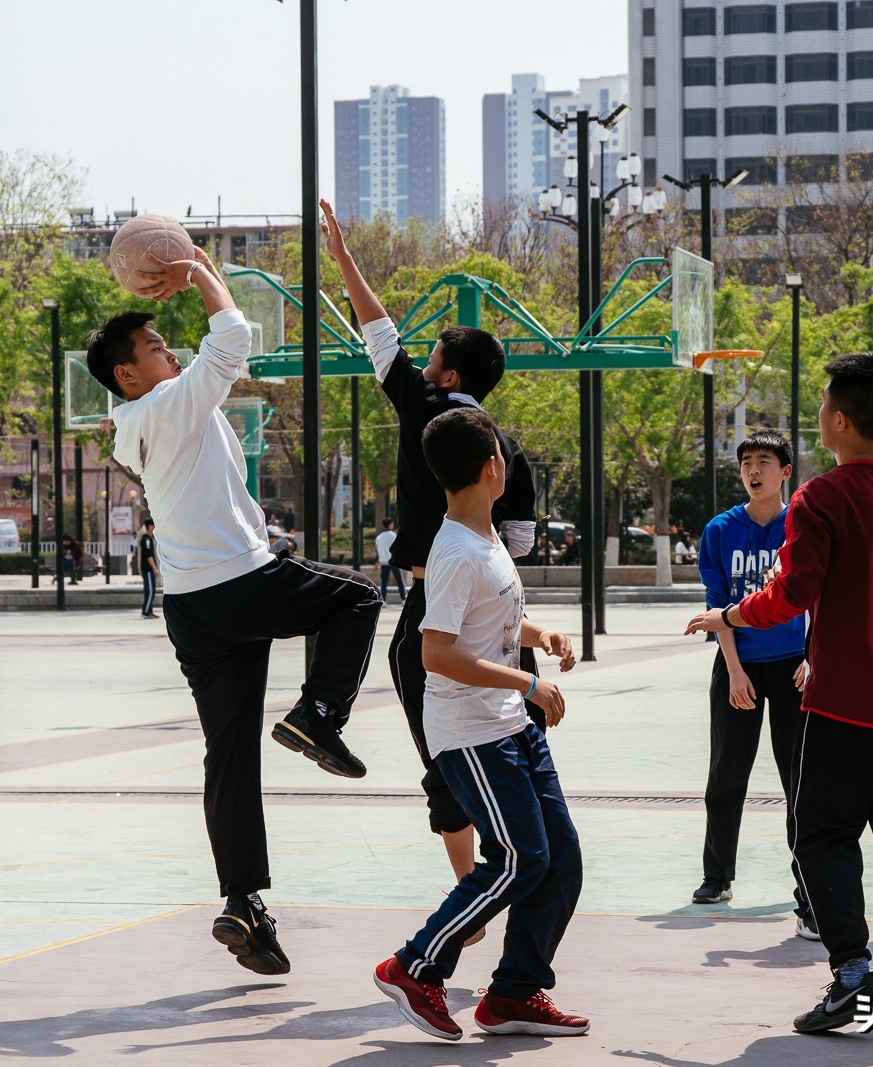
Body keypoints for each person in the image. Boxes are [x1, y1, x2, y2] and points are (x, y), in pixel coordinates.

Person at [90, 242, 381, 976]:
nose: (170, 349)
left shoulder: (143, 420)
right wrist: (196, 272)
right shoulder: (168, 402)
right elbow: (235, 339)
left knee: (230, 756)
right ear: (129, 373)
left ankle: (241, 901)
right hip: (238, 582)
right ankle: (318, 714)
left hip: (194, 609)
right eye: (157, 345)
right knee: (358, 597)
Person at [686, 352, 873, 1034]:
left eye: (822, 408)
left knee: (822, 833)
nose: (819, 419)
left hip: (846, 702)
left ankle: (853, 974)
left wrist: (728, 615)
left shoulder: (823, 497)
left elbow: (793, 592)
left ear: (840, 421)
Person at [322, 197, 541, 904]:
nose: (425, 362)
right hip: (505, 620)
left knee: (446, 758)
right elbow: (520, 545)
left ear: (445, 374)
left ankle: (470, 893)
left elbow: (378, 330)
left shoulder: (423, 408)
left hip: (434, 602)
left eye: (434, 355)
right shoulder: (510, 448)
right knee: (515, 751)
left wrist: (346, 260)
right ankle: (524, 871)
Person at [373, 406, 587, 1041]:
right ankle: (414, 966)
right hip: (470, 733)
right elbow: (435, 651)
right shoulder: (459, 550)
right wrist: (527, 680)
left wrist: (538, 633)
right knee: (521, 860)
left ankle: (514, 994)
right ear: (493, 466)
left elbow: (484, 619)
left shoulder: (485, 540)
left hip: (508, 724)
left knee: (560, 859)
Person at [691, 432, 814, 939]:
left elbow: (822, 598)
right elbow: (718, 603)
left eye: (764, 461)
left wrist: (814, 656)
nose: (753, 469)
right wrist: (735, 669)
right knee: (726, 774)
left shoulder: (804, 525)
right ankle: (716, 876)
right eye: (746, 462)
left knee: (800, 780)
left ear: (786, 471)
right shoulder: (720, 529)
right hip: (738, 665)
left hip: (793, 667)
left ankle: (806, 882)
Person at [376, 518, 405, 603]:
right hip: (394, 561)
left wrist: (377, 561)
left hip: (384, 561)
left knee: (384, 582)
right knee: (399, 580)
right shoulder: (393, 535)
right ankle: (403, 598)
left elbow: (377, 549)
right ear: (390, 524)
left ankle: (383, 600)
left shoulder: (379, 537)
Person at [138, 519, 161, 619]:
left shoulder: (150, 538)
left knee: (150, 590)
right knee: (150, 590)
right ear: (150, 526)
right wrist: (154, 568)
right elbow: (148, 555)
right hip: (147, 569)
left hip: (149, 570)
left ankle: (149, 611)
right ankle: (146, 611)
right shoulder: (146, 539)